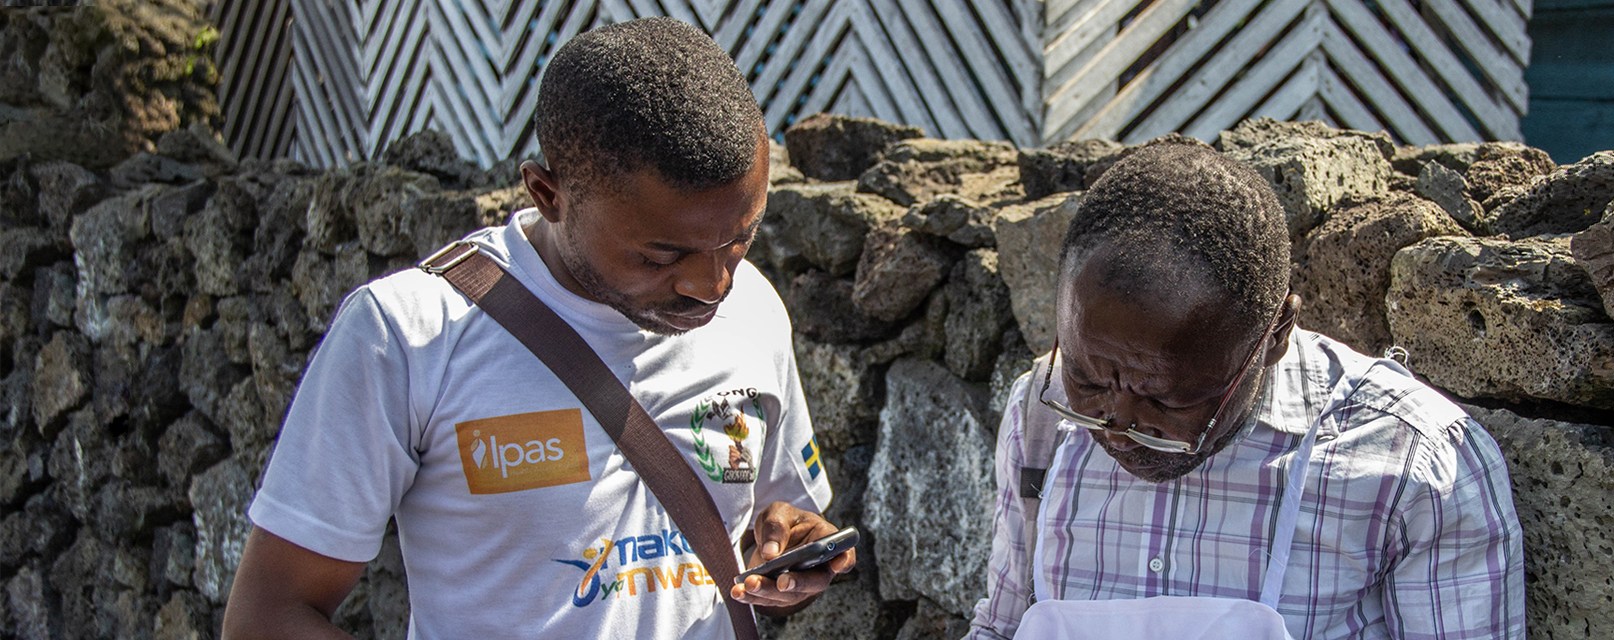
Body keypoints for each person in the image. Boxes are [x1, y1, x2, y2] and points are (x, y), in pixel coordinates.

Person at [222, 18, 852, 638]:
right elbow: (268, 617)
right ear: (548, 194)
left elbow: (760, 544)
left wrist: (791, 556)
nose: (712, 285)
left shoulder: (755, 311)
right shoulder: (407, 337)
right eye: (662, 257)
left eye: (741, 237)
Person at [966, 141, 1525, 639]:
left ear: (1275, 334)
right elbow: (1001, 625)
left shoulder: (1413, 465)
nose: (1117, 425)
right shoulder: (1040, 421)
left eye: (1168, 398)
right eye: (1089, 378)